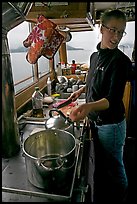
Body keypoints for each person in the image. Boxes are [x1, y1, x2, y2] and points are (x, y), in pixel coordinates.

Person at [68, 9, 135, 203]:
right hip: (97, 121)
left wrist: (88, 107)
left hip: (111, 125)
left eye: (120, 31)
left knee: (115, 165)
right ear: (101, 28)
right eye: (112, 30)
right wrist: (80, 91)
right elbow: (92, 80)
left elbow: (112, 100)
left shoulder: (120, 61)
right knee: (105, 162)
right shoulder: (95, 56)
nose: (116, 36)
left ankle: (123, 196)